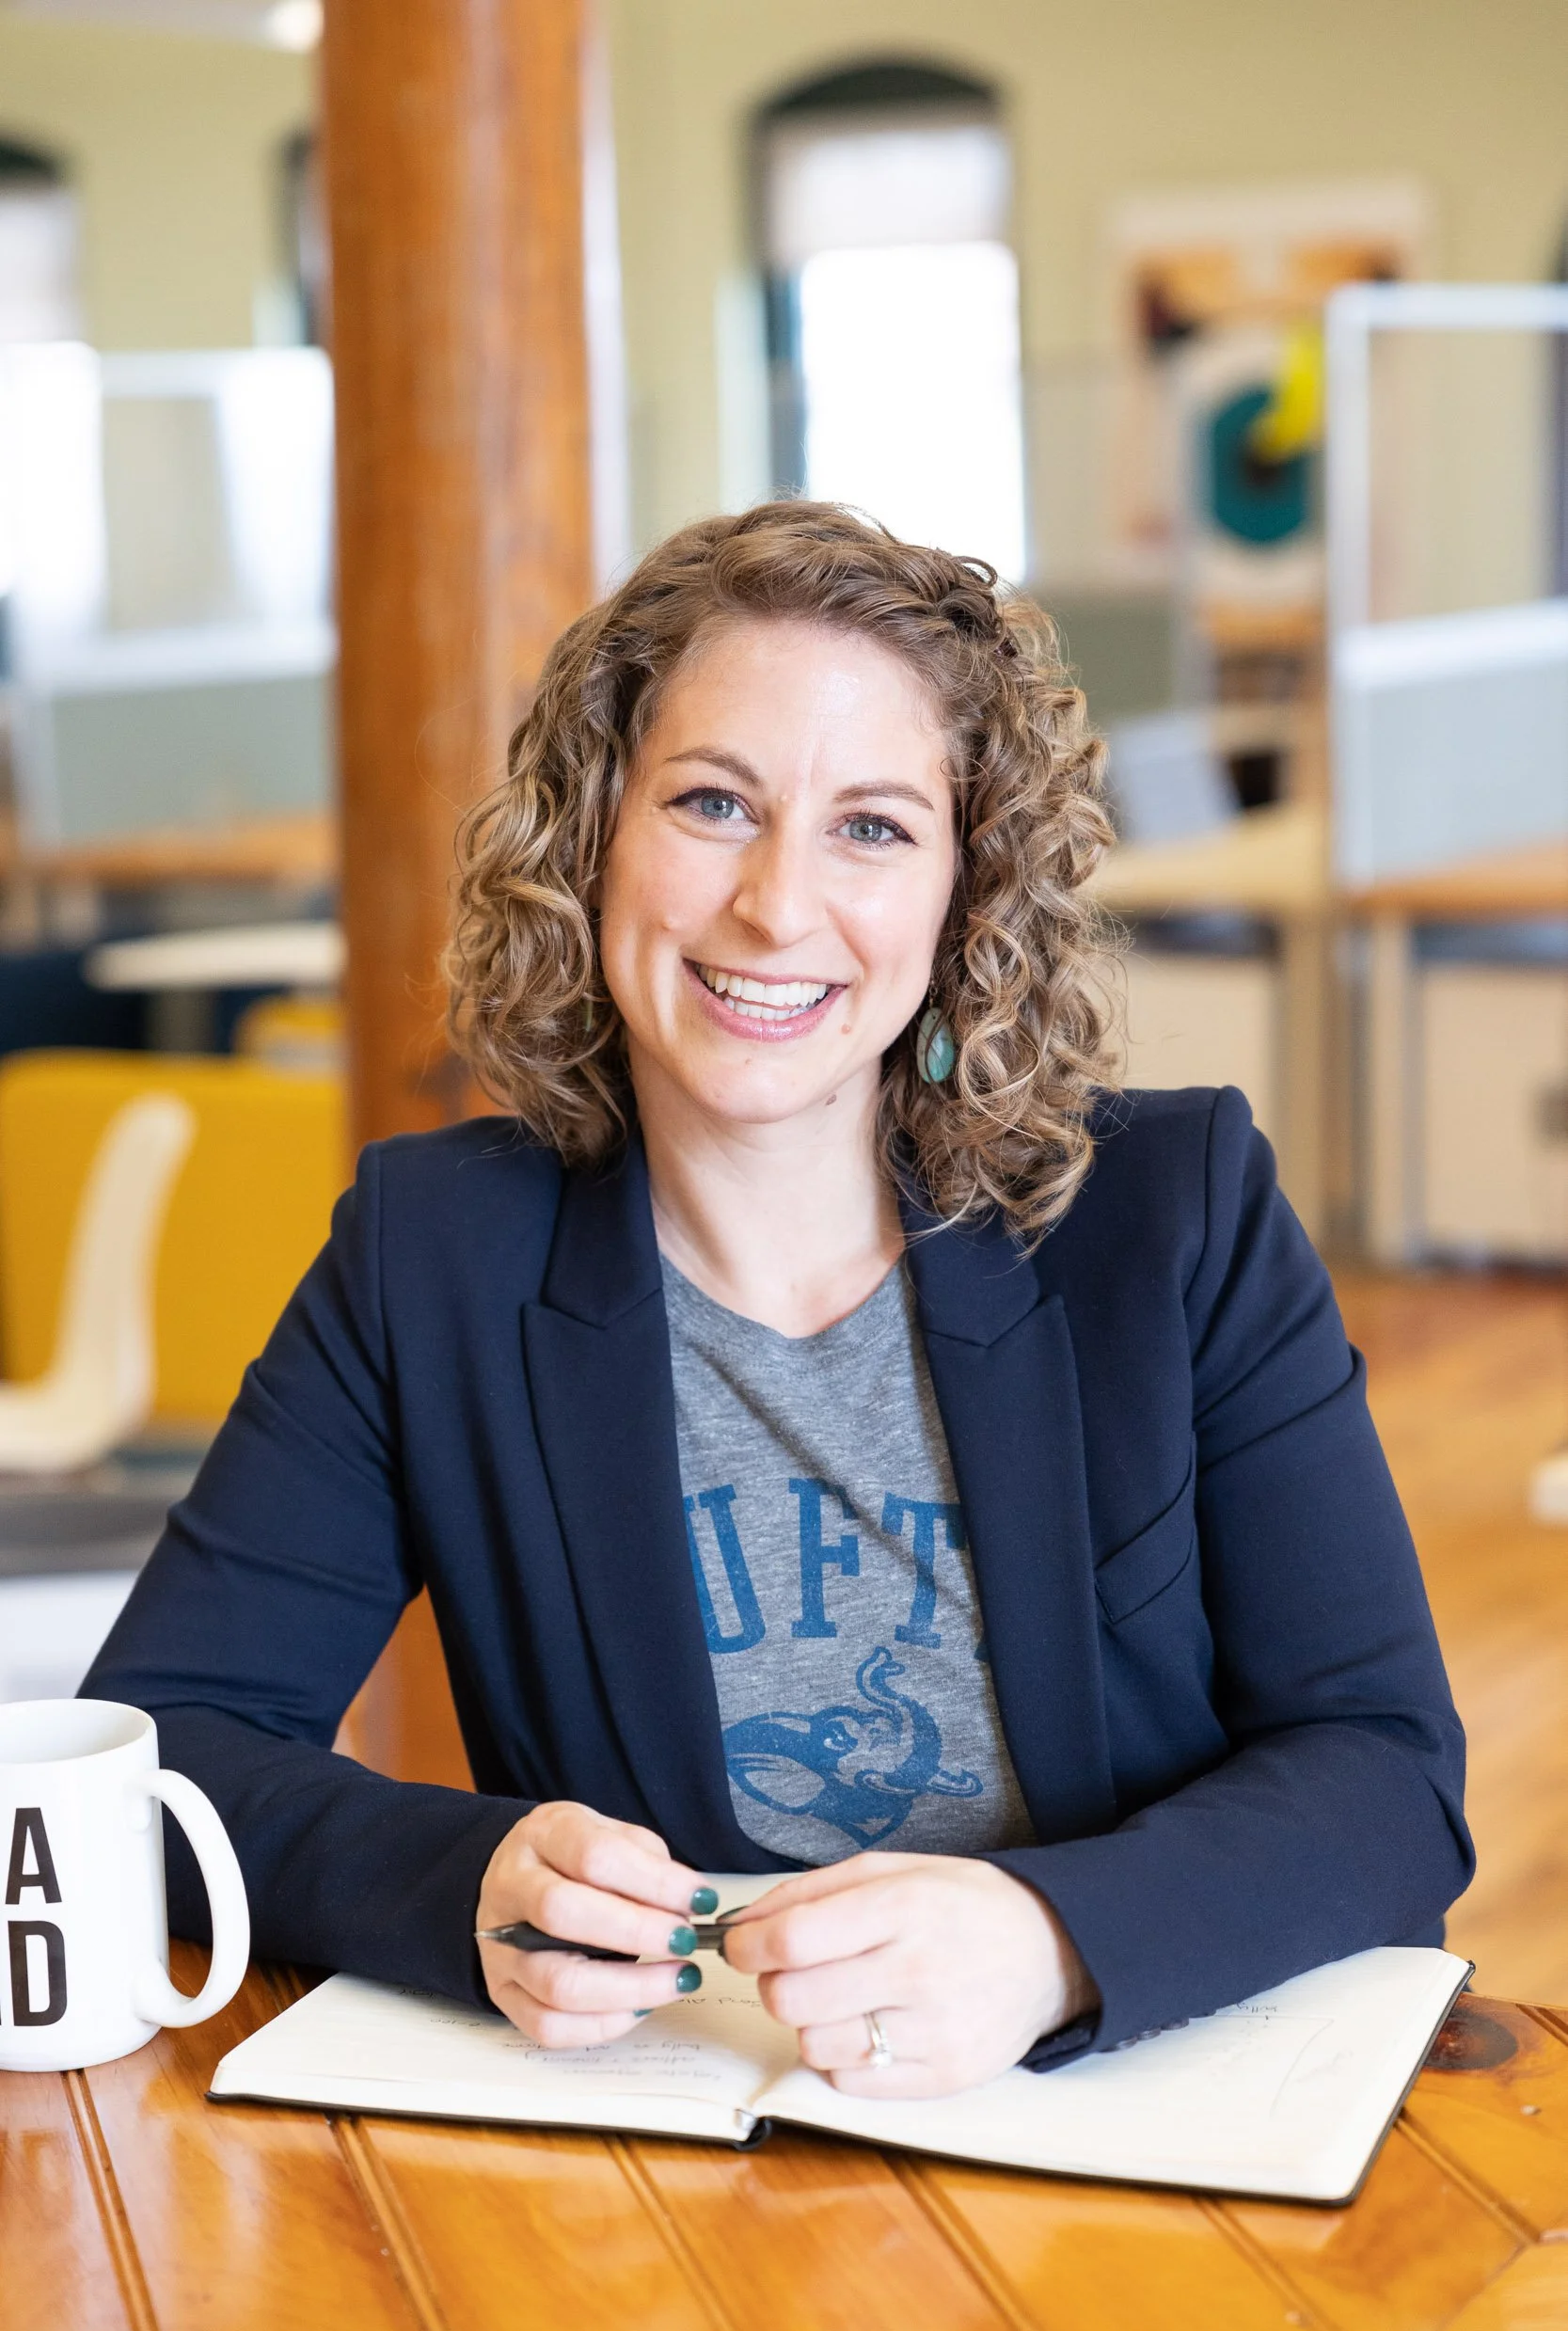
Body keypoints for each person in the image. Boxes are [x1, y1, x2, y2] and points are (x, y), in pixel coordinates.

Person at [85, 503, 1472, 2097]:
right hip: (662, 2170)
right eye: (711, 803)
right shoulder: (433, 1257)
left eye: (872, 827)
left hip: (1127, 2125)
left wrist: (1052, 1938)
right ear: (595, 833)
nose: (774, 904)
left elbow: (1384, 1776)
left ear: (966, 893)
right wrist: (456, 1881)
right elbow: (160, 1747)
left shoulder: (1175, 1218)